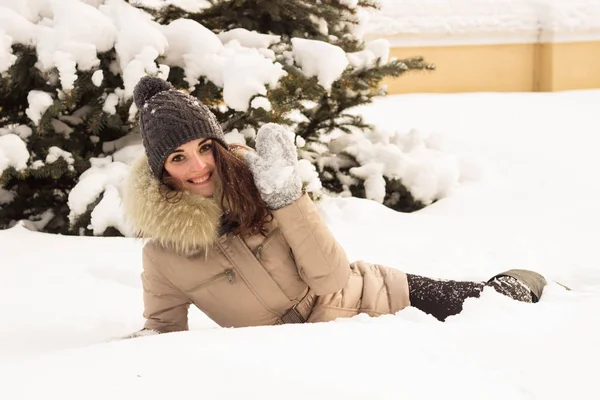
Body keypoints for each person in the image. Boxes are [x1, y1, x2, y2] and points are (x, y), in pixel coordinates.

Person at [122, 76, 547, 338]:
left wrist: (286, 198)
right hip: (314, 352)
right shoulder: (164, 257)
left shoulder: (261, 189)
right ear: (162, 172)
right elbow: (163, 334)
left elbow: (330, 278)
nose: (198, 166)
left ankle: (527, 284)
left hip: (379, 296)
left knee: (498, 303)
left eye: (204, 148)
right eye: (179, 158)